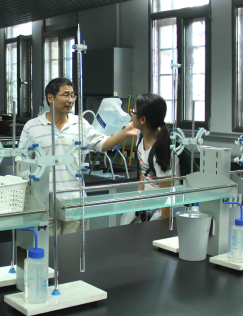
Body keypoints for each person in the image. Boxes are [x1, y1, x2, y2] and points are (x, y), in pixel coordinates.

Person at [19, 78, 136, 234]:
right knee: (47, 247)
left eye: (72, 95)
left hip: (74, 200)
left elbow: (102, 144)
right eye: (66, 95)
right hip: (43, 202)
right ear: (50, 97)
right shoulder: (32, 126)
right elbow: (21, 162)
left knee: (72, 247)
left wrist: (124, 133)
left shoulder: (80, 124)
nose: (71, 100)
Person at [122, 93, 179, 224]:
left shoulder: (160, 152)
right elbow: (145, 171)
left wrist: (164, 228)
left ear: (143, 120)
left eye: (134, 111)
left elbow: (167, 196)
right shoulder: (141, 135)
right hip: (147, 204)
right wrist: (137, 201)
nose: (132, 114)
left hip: (161, 210)